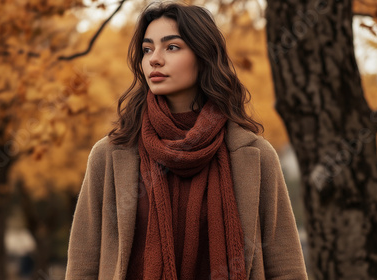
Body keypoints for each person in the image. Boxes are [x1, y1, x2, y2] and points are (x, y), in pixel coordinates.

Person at [65, 2, 307, 279]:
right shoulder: (110, 155)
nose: (155, 59)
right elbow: (82, 267)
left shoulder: (255, 155)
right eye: (147, 49)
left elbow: (286, 268)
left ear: (204, 56)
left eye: (172, 47)